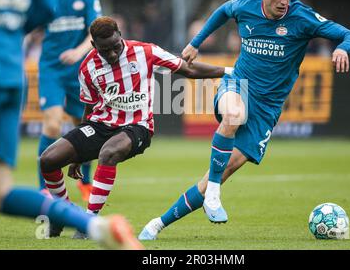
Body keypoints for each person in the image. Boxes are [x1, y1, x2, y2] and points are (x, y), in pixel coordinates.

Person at [138, 0, 350, 240]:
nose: (284, 2)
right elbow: (223, 11)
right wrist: (195, 43)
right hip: (239, 84)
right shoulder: (245, 7)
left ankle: (156, 225)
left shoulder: (302, 18)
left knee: (216, 174)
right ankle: (215, 194)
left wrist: (342, 47)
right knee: (234, 115)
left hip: (267, 109)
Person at [0, 0, 142, 249]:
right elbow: (45, 7)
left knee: (82, 126)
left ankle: (81, 187)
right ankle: (93, 224)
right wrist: (9, 34)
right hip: (12, 72)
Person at [39, 16, 233, 239]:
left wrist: (229, 72)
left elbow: (187, 69)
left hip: (137, 126)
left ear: (120, 36)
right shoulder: (87, 67)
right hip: (100, 125)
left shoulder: (145, 51)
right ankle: (63, 216)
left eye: (115, 47)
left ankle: (87, 222)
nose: (112, 54)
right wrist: (78, 155)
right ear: (93, 46)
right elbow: (90, 108)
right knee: (48, 160)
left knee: (109, 152)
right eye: (105, 50)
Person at [37, 0, 100, 201]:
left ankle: (85, 180)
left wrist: (77, 52)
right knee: (52, 124)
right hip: (51, 68)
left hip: (80, 70)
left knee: (81, 127)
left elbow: (94, 32)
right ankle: (44, 188)